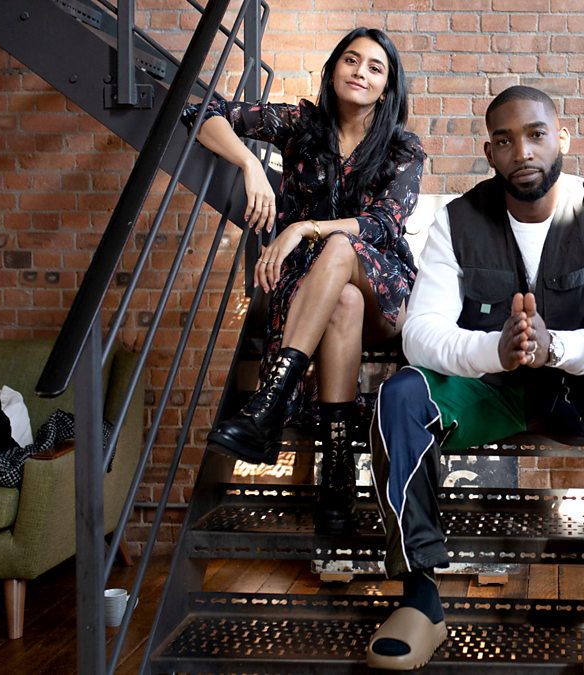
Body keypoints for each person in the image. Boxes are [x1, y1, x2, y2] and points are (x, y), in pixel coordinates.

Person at [366, 86, 584, 675]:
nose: (522, 151)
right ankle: (420, 597)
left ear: (562, 138)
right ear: (489, 151)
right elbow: (419, 333)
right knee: (401, 393)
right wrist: (494, 350)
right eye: (504, 140)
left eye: (535, 134)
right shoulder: (456, 221)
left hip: (573, 395)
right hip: (490, 391)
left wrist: (557, 347)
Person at [181, 28, 424, 536]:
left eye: (375, 67)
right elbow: (201, 111)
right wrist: (249, 162)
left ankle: (270, 401)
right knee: (342, 303)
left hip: (383, 287)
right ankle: (336, 478)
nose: (360, 72)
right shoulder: (301, 125)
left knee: (341, 252)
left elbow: (383, 225)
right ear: (333, 71)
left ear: (387, 87)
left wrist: (302, 228)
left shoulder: (402, 148)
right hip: (317, 291)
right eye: (351, 60)